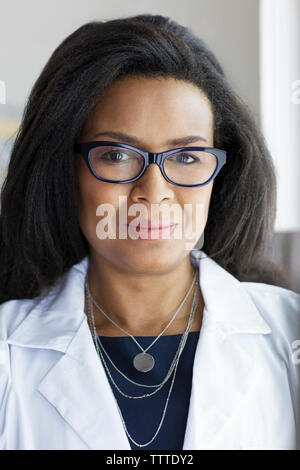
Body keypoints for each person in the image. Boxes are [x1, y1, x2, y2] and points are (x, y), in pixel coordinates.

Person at [0, 13, 299, 451]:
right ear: (65, 169)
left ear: (221, 173)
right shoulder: (9, 354)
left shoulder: (289, 333)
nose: (154, 194)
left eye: (187, 157)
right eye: (118, 155)